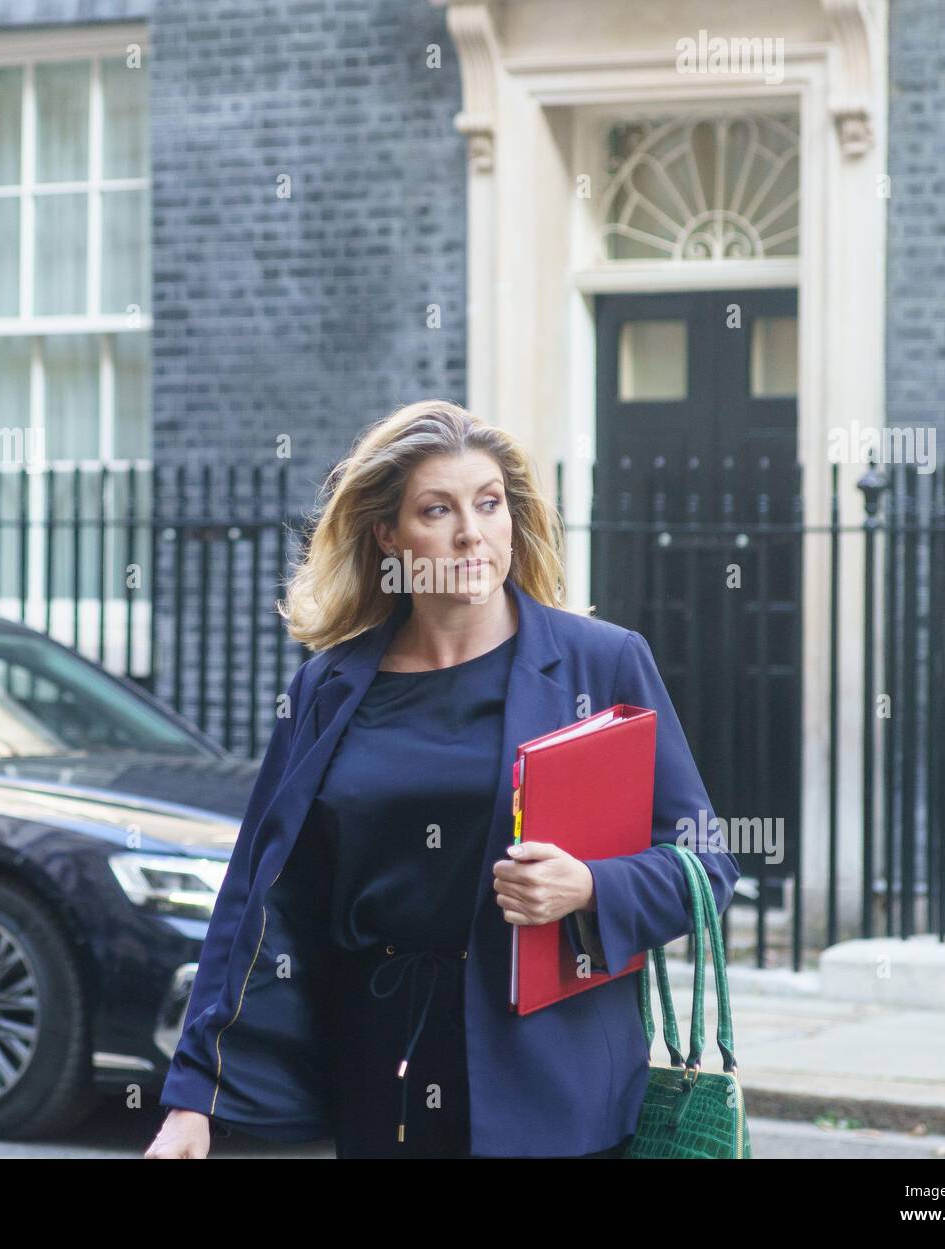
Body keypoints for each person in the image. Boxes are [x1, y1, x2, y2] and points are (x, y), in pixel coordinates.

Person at [145, 399, 739, 1159]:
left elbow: (707, 868)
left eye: (489, 503)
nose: (471, 531)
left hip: (555, 1084)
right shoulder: (329, 687)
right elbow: (259, 893)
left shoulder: (604, 661)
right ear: (388, 535)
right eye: (438, 508)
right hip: (380, 1077)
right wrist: (192, 1097)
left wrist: (589, 886)